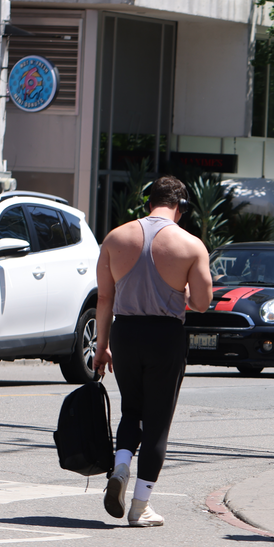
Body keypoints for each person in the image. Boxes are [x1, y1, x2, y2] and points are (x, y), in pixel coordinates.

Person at [92, 176, 212, 528]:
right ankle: (140, 505)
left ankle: (122, 464)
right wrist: (184, 290)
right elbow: (202, 303)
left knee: (132, 410)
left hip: (125, 332)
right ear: (181, 207)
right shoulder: (190, 245)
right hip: (165, 336)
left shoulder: (115, 238)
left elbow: (103, 298)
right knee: (157, 422)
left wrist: (103, 346)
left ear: (148, 203)